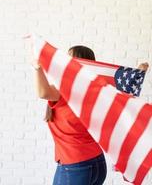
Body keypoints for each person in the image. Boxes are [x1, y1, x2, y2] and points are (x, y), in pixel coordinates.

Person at [32, 45, 149, 185]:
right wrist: (139, 72)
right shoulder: (98, 93)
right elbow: (123, 94)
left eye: (71, 58)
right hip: (94, 163)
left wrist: (37, 68)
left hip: (75, 166)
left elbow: (43, 93)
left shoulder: (65, 90)